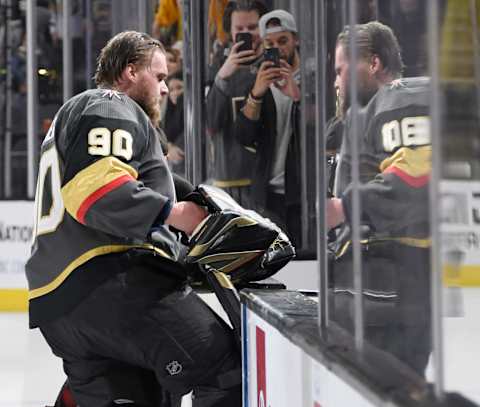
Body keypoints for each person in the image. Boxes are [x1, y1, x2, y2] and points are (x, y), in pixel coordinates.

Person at [26, 31, 241, 406]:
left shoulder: (81, 115)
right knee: (224, 368)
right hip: (108, 285)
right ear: (128, 73)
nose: (162, 89)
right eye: (158, 77)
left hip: (59, 305)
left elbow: (127, 180)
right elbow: (94, 190)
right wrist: (174, 214)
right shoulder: (109, 105)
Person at [327, 21, 431, 376]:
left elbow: (420, 175)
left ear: (373, 63)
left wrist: (345, 206)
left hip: (385, 285)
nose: (336, 83)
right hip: (375, 287)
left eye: (341, 70)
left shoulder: (402, 96)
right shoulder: (364, 115)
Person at [233, 9, 302, 245]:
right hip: (267, 194)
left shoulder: (313, 81)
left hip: (303, 192)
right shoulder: (259, 80)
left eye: (283, 41)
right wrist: (256, 94)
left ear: (296, 40)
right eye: (270, 43)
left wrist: (297, 96)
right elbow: (243, 136)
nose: (278, 48)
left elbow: (321, 130)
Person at [205, 0, 268, 207]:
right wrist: (223, 75)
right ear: (230, 32)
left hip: (271, 180)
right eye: (239, 29)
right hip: (229, 181)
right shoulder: (218, 68)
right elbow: (209, 124)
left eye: (252, 27)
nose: (247, 34)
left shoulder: (274, 62)